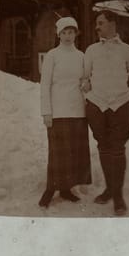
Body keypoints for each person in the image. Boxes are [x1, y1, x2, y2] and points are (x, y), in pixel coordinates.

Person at [83, 10, 129, 216]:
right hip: (97, 107)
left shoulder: (127, 50)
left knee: (118, 149)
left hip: (120, 107)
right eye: (96, 23)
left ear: (112, 24)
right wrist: (88, 93)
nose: (97, 27)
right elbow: (84, 78)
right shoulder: (91, 50)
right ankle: (109, 189)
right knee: (104, 147)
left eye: (100, 22)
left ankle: (117, 196)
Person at [39, 17, 92, 208]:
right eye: (64, 32)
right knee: (57, 152)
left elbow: (86, 81)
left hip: (77, 111)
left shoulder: (81, 56)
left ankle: (66, 188)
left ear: (76, 34)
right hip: (58, 111)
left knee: (73, 153)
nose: (68, 36)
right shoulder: (52, 55)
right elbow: (44, 85)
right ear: (58, 35)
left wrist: (87, 85)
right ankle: (50, 188)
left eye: (71, 32)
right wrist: (46, 112)